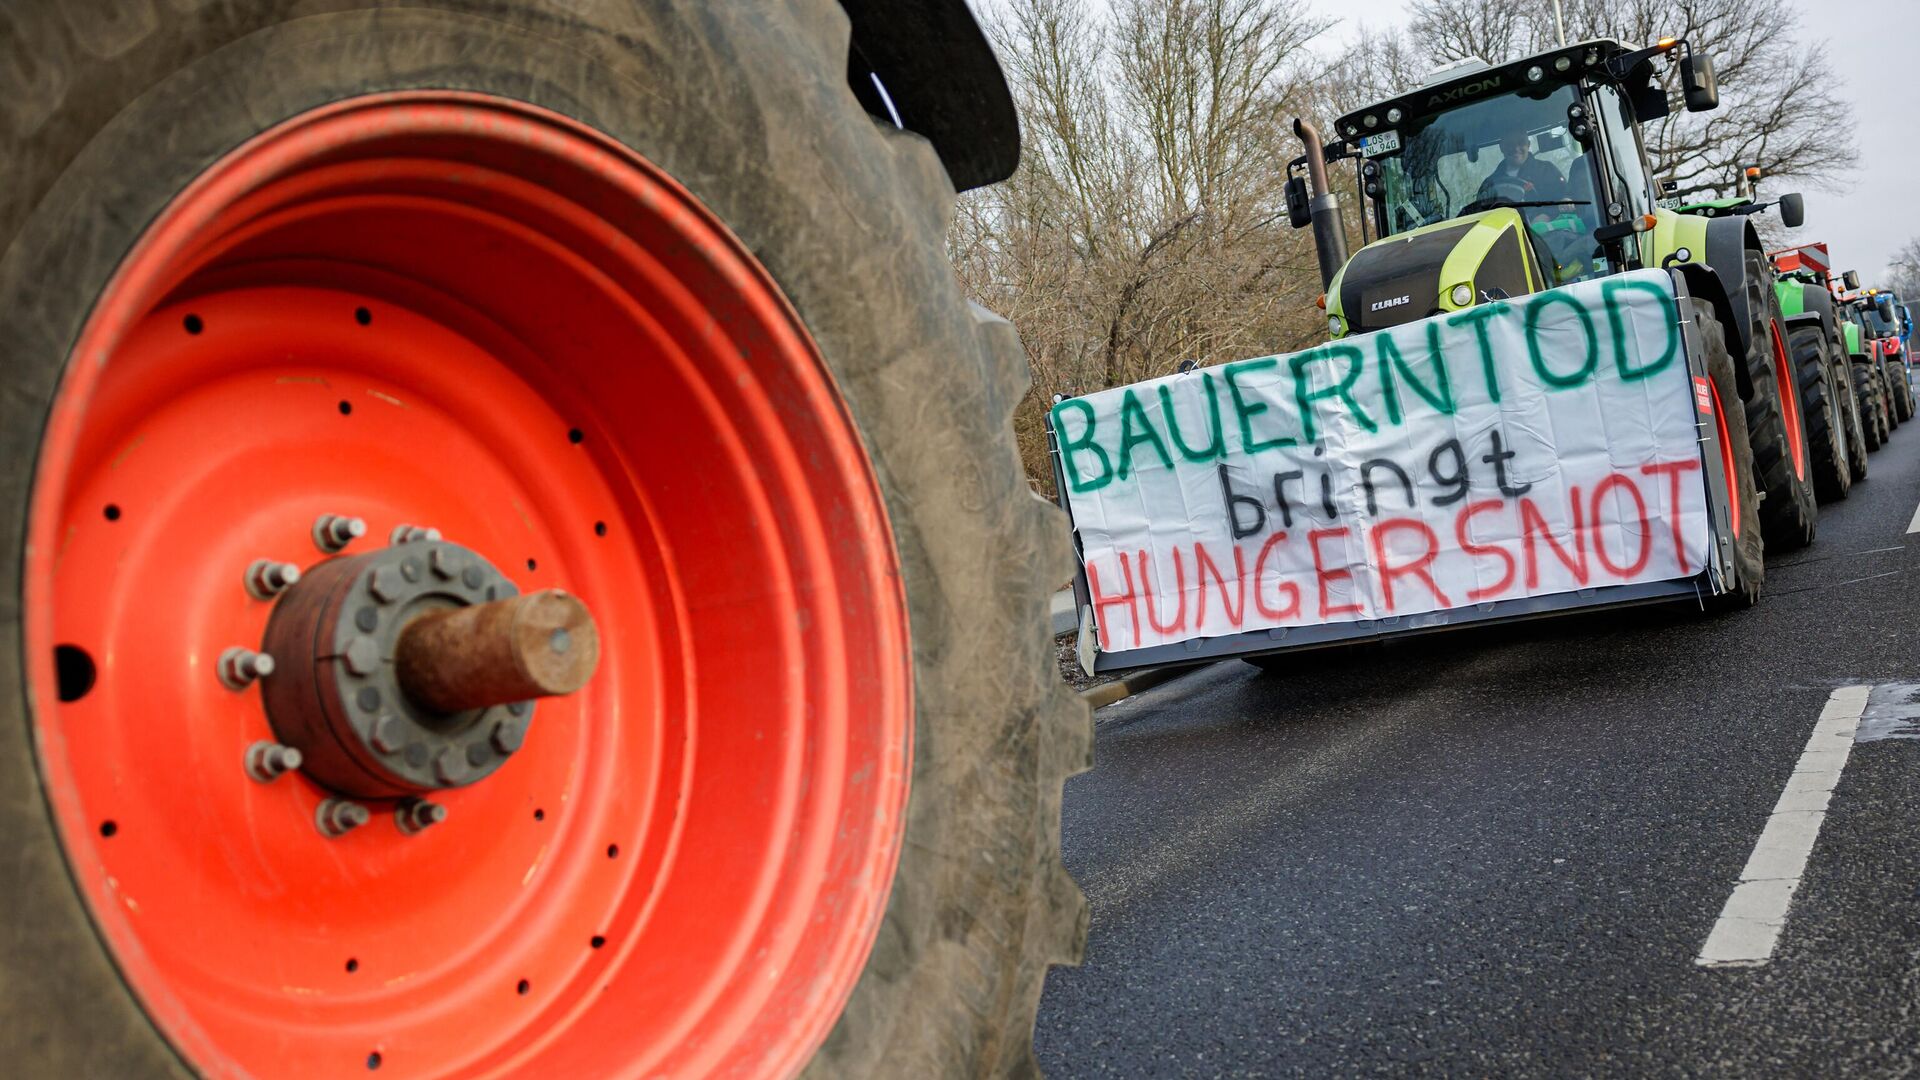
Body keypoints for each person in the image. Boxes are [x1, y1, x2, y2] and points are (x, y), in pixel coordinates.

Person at [1477, 126, 1565, 211]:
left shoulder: (1547, 170)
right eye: (1510, 144)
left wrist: (1547, 215)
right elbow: (1482, 214)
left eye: (1521, 142)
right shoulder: (1489, 185)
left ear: (1528, 145)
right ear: (1502, 147)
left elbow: (1565, 200)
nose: (1516, 148)